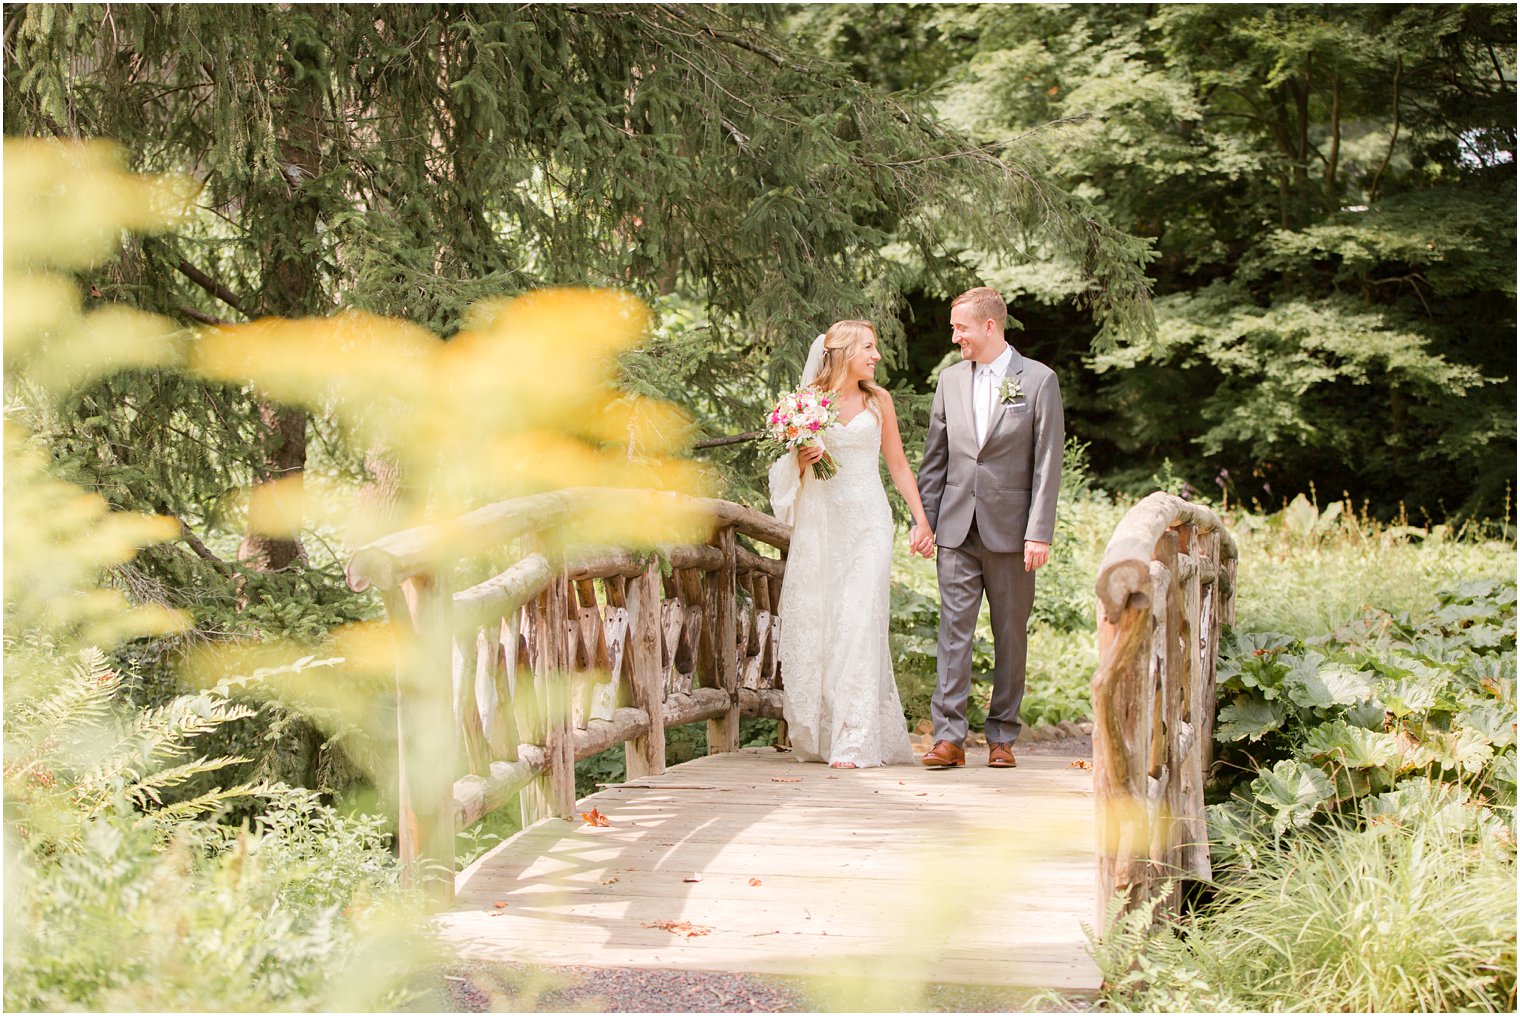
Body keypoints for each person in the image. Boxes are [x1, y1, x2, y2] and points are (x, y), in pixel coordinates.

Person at [768, 320, 935, 769]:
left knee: (861, 622)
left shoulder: (878, 401)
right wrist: (803, 461)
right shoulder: (807, 404)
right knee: (824, 624)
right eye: (868, 347)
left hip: (868, 523)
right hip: (822, 525)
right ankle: (824, 731)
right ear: (841, 352)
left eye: (875, 347)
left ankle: (855, 739)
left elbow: (898, 465)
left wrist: (921, 520)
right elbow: (789, 479)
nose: (876, 355)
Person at [916, 287, 1064, 769]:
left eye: (960, 327)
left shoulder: (1038, 381)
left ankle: (1002, 737)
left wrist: (1038, 531)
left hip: (1013, 531)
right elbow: (935, 459)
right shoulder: (950, 380)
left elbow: (1047, 463)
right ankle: (949, 738)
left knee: (1009, 634)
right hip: (957, 529)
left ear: (989, 326)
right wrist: (926, 520)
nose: (954, 335)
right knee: (953, 632)